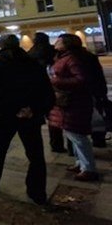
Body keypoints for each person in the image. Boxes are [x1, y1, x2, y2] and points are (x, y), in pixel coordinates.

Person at [0, 35, 54, 205]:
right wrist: (33, 109)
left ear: (1, 46)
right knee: (36, 155)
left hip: (6, 116)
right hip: (29, 115)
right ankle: (37, 192)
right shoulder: (32, 61)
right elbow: (45, 90)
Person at [48, 34, 99, 182]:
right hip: (67, 101)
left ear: (66, 44)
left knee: (78, 136)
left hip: (73, 102)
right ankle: (80, 163)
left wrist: (57, 80)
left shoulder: (72, 58)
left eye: (59, 40)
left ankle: (89, 168)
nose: (56, 42)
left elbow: (81, 79)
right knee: (73, 134)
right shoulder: (65, 56)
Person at [27, 32, 63, 153]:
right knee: (63, 117)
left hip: (37, 90)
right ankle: (72, 148)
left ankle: (55, 144)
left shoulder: (30, 53)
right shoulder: (54, 52)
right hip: (56, 87)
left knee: (51, 119)